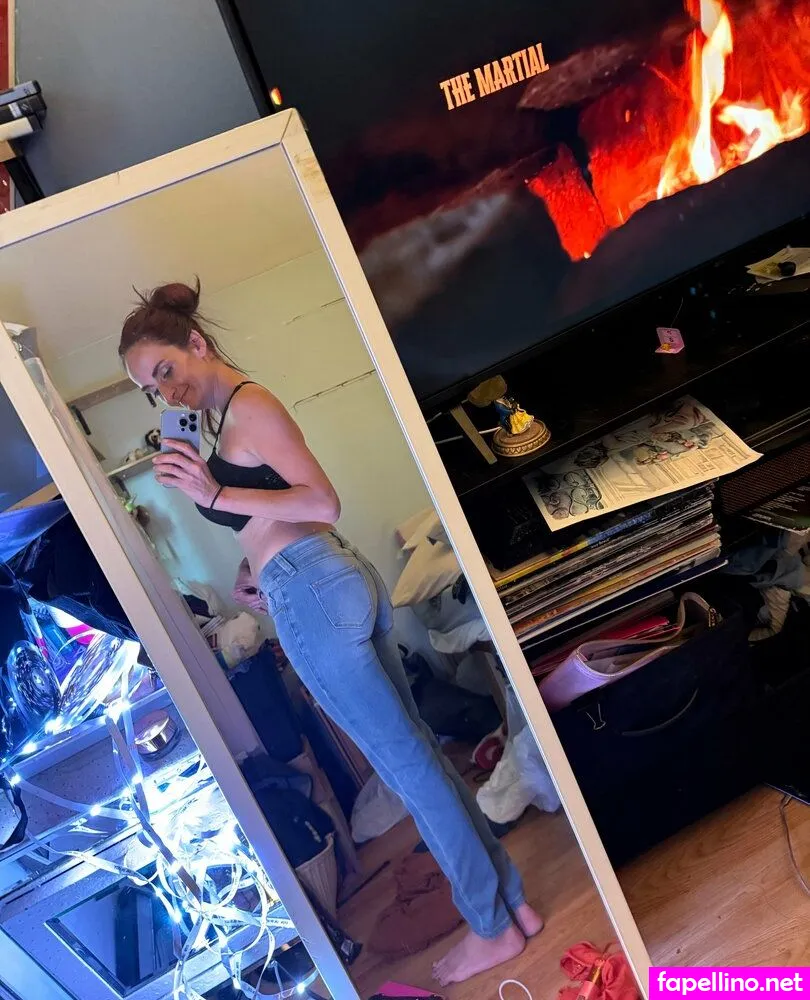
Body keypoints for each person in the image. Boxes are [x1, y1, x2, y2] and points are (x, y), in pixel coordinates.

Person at [119, 280, 543, 986]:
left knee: (408, 770)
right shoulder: (228, 419)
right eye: (148, 389)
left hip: (315, 592)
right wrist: (252, 568)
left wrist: (212, 494)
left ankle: (491, 927)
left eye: (165, 369)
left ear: (196, 342)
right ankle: (510, 903)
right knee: (419, 756)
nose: (164, 392)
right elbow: (280, 511)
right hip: (316, 578)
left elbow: (322, 500)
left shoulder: (250, 405)